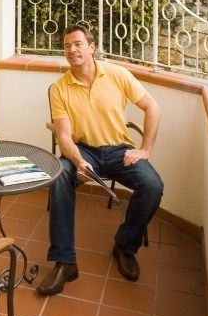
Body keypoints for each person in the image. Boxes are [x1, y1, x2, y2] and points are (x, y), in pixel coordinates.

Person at [37, 25, 164, 296]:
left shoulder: (117, 74)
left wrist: (145, 149)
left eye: (78, 44)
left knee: (153, 185)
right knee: (60, 176)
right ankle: (65, 262)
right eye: (67, 46)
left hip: (119, 150)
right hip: (83, 150)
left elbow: (152, 107)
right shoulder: (59, 89)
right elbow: (64, 137)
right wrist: (78, 160)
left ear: (92, 47)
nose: (72, 50)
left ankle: (125, 246)